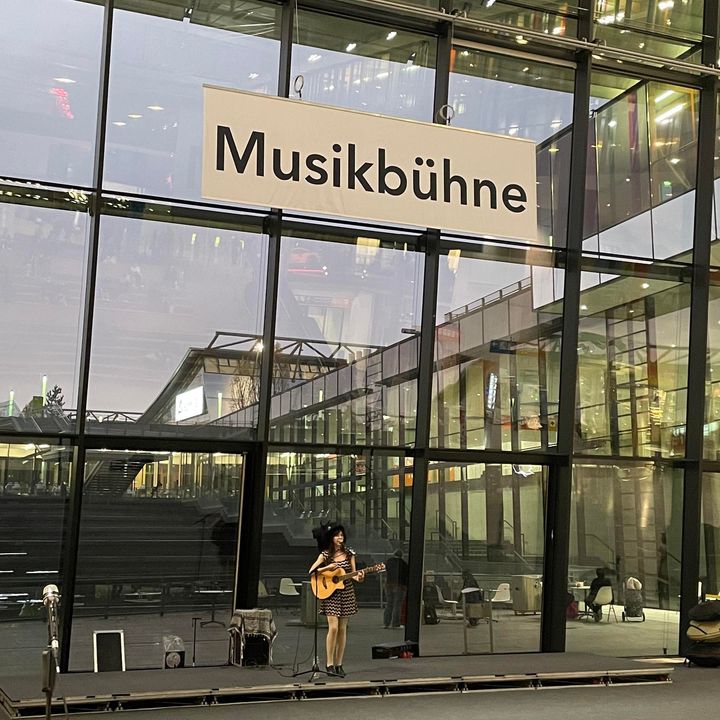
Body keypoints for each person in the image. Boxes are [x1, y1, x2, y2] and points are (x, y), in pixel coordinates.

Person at [309, 523, 364, 678]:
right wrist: (329, 567)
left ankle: (339, 664)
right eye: (337, 535)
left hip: (346, 592)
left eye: (342, 535)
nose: (340, 538)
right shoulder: (325, 555)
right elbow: (312, 570)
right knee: (333, 628)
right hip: (331, 594)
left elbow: (353, 574)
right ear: (331, 538)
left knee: (342, 629)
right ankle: (329, 663)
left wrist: (359, 576)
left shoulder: (350, 553)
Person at [383, 549, 409, 628]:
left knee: (389, 604)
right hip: (400, 586)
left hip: (389, 585)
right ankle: (395, 624)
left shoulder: (389, 562)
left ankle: (386, 623)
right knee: (397, 605)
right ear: (402, 555)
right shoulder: (404, 564)